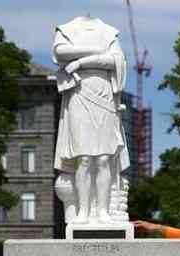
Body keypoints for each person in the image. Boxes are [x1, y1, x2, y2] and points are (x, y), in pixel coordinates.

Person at [52, 16, 130, 224]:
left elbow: (116, 60)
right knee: (84, 158)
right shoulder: (66, 28)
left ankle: (102, 211)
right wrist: (97, 52)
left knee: (104, 158)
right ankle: (84, 212)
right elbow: (60, 53)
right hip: (79, 93)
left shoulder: (109, 31)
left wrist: (80, 61)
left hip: (104, 94)